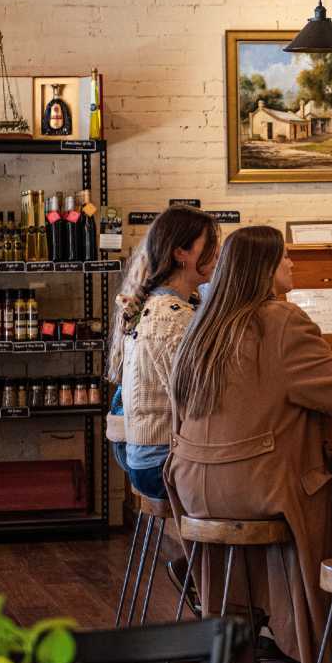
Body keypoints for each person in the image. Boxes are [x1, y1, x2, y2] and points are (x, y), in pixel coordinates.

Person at [165, 226, 332, 663]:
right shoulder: (282, 321)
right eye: (284, 256)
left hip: (192, 489)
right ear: (263, 268)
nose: (292, 263)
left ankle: (249, 618)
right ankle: (325, 637)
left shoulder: (202, 322)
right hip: (254, 488)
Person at [106, 205, 219, 499]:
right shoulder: (172, 317)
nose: (218, 253)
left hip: (149, 458)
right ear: (181, 253)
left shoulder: (161, 305)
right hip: (162, 464)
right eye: (210, 244)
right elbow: (196, 401)